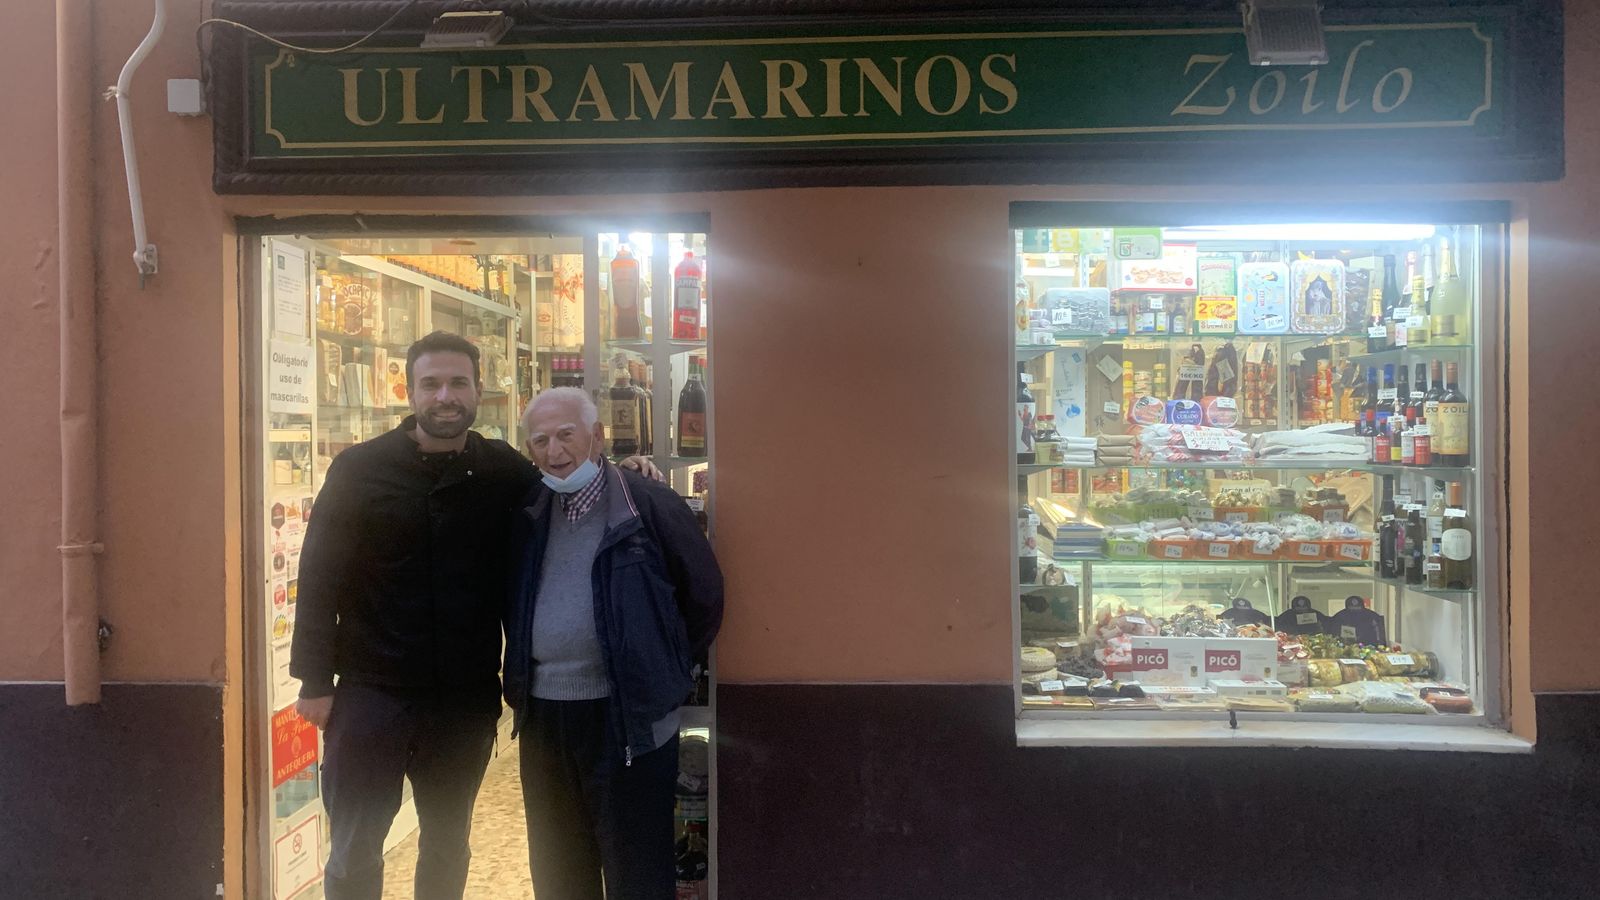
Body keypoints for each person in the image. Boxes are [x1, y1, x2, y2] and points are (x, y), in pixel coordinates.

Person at [291, 331, 655, 900]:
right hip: (370, 692)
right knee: (356, 842)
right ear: (410, 393)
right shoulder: (358, 469)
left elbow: (566, 482)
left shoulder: (502, 470)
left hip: (463, 698)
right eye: (431, 384)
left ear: (478, 391)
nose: (445, 396)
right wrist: (314, 681)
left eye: (457, 383)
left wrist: (624, 473)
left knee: (447, 838)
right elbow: (317, 577)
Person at [505, 387, 724, 900]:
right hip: (545, 720)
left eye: (566, 435)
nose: (555, 451)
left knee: (636, 871)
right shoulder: (528, 511)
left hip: (627, 720)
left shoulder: (646, 502)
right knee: (559, 868)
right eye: (540, 441)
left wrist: (659, 665)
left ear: (597, 436)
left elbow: (704, 595)